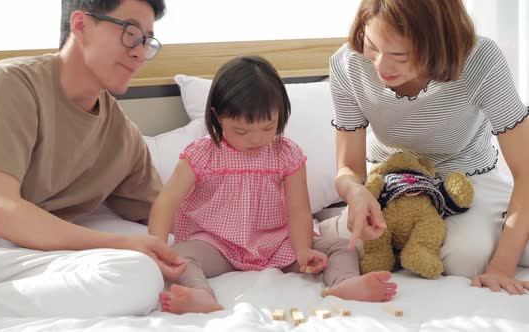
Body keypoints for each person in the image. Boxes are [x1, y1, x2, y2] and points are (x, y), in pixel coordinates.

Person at [0, 0, 186, 319]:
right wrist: (118, 242)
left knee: (140, 275)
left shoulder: (122, 134)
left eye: (147, 41)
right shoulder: (9, 82)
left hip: (34, 254)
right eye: (130, 33)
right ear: (81, 25)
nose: (140, 52)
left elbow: (165, 217)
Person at [148, 55, 398, 314]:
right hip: (216, 244)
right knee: (180, 257)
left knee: (341, 247)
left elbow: (299, 209)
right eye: (241, 131)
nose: (256, 140)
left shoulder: (288, 154)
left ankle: (344, 283)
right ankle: (200, 295)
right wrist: (157, 245)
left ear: (281, 114)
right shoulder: (201, 154)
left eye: (268, 128)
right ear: (216, 116)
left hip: (275, 242)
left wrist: (302, 250)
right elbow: (167, 202)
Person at [328, 0, 529, 294]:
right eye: (373, 46)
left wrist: (502, 268)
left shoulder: (480, 60)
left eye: (400, 55)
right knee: (350, 249)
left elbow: (526, 170)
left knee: (465, 260)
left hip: (466, 177)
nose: (381, 66)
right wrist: (355, 192)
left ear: (439, 44)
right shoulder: (348, 63)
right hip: (390, 180)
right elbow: (349, 168)